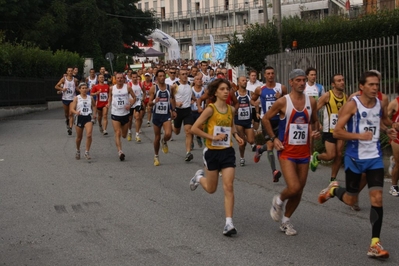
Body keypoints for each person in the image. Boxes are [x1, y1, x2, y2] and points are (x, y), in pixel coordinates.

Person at [318, 71, 397, 258]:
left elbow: (382, 122)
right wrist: (358, 136)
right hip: (354, 159)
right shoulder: (352, 105)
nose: (375, 88)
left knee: (377, 199)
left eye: (377, 84)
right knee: (351, 199)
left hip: (375, 158)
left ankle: (374, 244)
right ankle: (333, 190)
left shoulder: (379, 103)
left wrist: (389, 130)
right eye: (371, 84)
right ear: (361, 86)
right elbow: (337, 132)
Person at [265, 69, 320, 236]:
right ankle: (279, 200)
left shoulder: (311, 101)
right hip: (287, 151)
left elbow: (315, 122)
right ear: (291, 83)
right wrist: (274, 138)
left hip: (304, 152)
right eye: (298, 80)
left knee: (299, 190)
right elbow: (265, 118)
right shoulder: (283, 102)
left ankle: (286, 221)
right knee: (294, 186)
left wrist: (316, 132)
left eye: (304, 80)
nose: (302, 83)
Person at [189, 78, 244, 236]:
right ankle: (199, 178)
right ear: (215, 92)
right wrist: (212, 137)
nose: (226, 91)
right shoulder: (210, 109)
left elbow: (230, 125)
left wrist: (236, 135)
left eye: (227, 89)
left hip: (227, 151)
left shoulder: (231, 109)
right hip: (212, 152)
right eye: (222, 89)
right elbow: (194, 128)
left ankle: (229, 223)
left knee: (228, 186)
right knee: (211, 189)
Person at [252, 66, 288, 182]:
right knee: (271, 145)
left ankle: (260, 150)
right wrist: (256, 103)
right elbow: (252, 99)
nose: (270, 75)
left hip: (280, 120)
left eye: (272, 73)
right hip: (266, 120)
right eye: (268, 73)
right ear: (264, 75)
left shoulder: (281, 88)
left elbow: (288, 100)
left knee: (280, 144)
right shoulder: (260, 89)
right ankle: (274, 171)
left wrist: (281, 97)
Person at [310, 74, 347, 183]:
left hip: (341, 131)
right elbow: (315, 109)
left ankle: (333, 179)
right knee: (331, 155)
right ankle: (317, 157)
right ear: (333, 84)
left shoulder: (346, 97)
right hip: (329, 130)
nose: (342, 82)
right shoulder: (327, 95)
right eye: (339, 81)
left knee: (339, 154)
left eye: (343, 80)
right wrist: (318, 123)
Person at [148, 69, 177, 166]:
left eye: (163, 76)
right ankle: (156, 156)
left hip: (166, 114)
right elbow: (149, 103)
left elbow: (172, 98)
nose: (162, 78)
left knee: (168, 134)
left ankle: (164, 141)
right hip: (156, 115)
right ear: (156, 78)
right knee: (157, 137)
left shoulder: (170, 88)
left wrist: (174, 110)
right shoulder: (153, 88)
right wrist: (153, 102)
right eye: (160, 76)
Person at [107, 73, 136, 161]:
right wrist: (108, 104)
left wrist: (130, 105)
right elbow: (110, 97)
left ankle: (121, 145)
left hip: (125, 113)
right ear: (115, 79)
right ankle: (120, 151)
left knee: (123, 135)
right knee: (118, 132)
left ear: (123, 79)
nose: (119, 79)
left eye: (121, 78)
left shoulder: (127, 87)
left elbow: (135, 98)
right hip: (115, 113)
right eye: (118, 78)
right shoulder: (112, 88)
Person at [171, 68, 194, 161]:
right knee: (177, 132)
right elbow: (170, 97)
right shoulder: (175, 85)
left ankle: (188, 152)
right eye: (183, 74)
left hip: (187, 110)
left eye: (186, 74)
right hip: (178, 111)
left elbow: (190, 94)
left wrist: (193, 99)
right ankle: (172, 126)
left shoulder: (190, 84)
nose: (185, 76)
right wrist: (176, 104)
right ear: (179, 76)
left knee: (188, 131)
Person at [70, 83, 96, 160]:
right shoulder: (76, 98)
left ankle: (87, 152)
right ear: (79, 89)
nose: (84, 90)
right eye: (83, 88)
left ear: (88, 89)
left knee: (89, 135)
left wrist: (94, 114)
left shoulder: (90, 98)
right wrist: (76, 112)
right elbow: (72, 109)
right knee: (79, 137)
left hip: (88, 117)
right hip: (79, 117)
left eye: (86, 88)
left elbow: (94, 106)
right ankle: (78, 150)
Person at [234, 76, 256, 166]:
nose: (245, 82)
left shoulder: (250, 93)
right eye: (242, 81)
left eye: (245, 81)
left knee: (251, 140)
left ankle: (251, 143)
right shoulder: (235, 95)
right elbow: (231, 105)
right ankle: (242, 157)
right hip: (238, 121)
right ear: (238, 83)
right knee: (242, 142)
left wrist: (256, 112)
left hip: (248, 120)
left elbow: (254, 103)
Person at [55, 67, 79, 135]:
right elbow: (56, 86)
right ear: (67, 72)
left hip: (72, 99)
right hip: (65, 98)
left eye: (71, 71)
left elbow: (76, 88)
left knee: (71, 113)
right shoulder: (64, 79)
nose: (70, 72)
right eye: (69, 71)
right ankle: (67, 120)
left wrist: (81, 91)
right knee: (66, 114)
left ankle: (70, 128)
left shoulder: (75, 80)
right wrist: (62, 89)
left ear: (73, 72)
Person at [387, 82, 399, 197]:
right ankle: (394, 186)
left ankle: (394, 161)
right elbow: (384, 118)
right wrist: (393, 124)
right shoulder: (395, 103)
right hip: (397, 137)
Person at [128, 71, 146, 142]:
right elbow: (125, 94)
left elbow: (144, 92)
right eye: (133, 77)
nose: (135, 79)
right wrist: (128, 99)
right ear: (131, 77)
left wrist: (143, 98)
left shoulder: (140, 84)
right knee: (130, 119)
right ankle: (129, 131)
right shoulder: (129, 85)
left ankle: (137, 134)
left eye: (136, 77)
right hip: (131, 103)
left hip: (138, 103)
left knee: (138, 117)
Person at [191, 74, 205, 149]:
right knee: (191, 127)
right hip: (192, 110)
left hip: (201, 111)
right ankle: (191, 141)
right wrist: (190, 102)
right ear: (194, 81)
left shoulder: (204, 90)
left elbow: (206, 99)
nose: (199, 81)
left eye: (200, 79)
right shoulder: (191, 89)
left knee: (200, 127)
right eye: (197, 79)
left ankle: (198, 136)